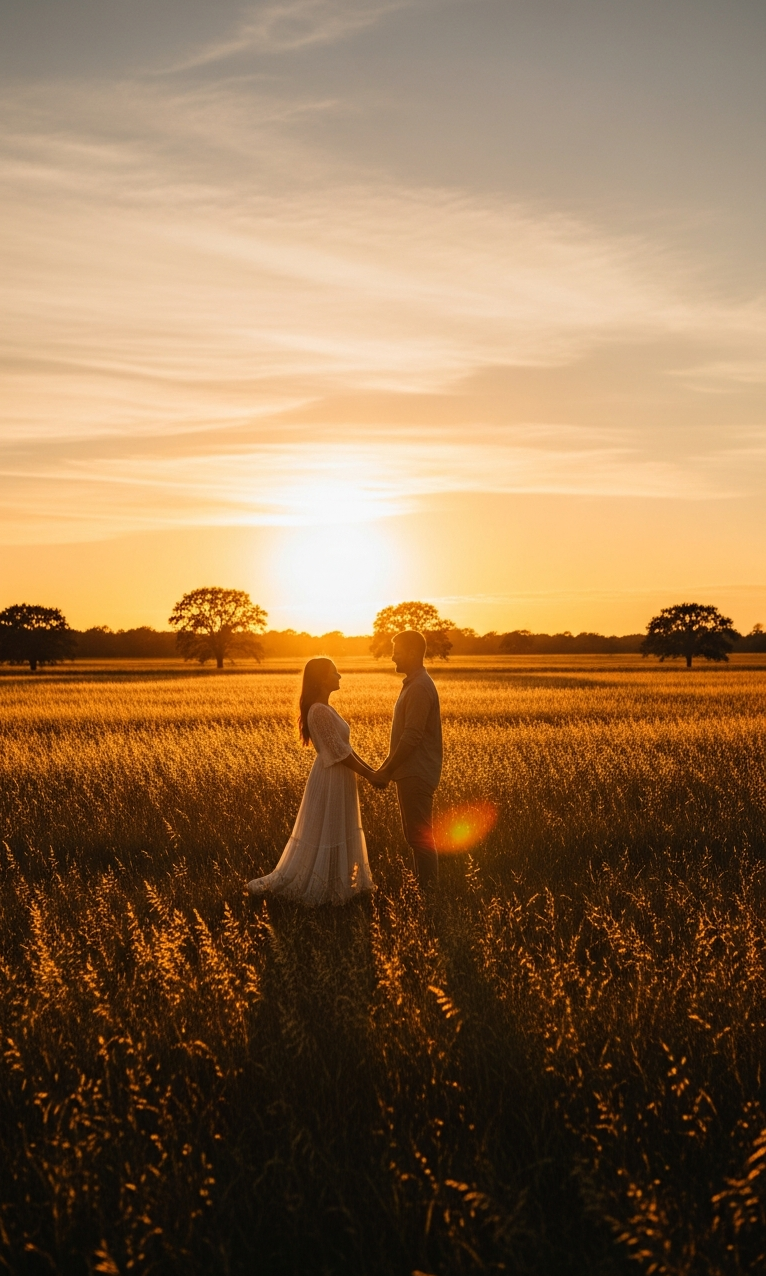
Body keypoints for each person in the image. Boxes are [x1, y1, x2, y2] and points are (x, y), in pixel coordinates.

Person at [247, 657, 380, 906]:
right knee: (327, 830)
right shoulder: (318, 710)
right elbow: (339, 753)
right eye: (335, 672)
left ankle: (340, 882)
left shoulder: (325, 708)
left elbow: (345, 748)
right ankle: (326, 887)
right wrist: (371, 775)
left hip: (339, 775)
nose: (340, 676)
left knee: (337, 826)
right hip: (331, 776)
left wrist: (373, 771)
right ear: (321, 679)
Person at [374, 630, 442, 891]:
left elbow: (411, 737)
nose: (392, 657)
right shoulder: (415, 684)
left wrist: (386, 771)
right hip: (412, 772)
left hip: (416, 773)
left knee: (421, 838)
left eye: (397, 651)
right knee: (416, 838)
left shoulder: (419, 688)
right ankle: (422, 891)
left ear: (413, 653)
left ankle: (429, 897)